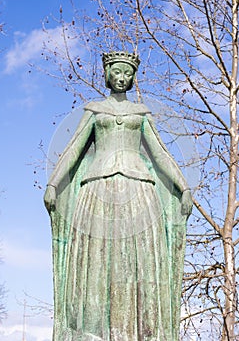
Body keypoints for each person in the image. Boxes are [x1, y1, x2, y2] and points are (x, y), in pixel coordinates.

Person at [44, 51, 192, 341]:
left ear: (133, 76)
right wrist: (53, 183)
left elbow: (160, 153)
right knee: (97, 262)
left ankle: (136, 331)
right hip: (97, 189)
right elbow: (73, 149)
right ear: (107, 74)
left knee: (136, 263)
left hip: (139, 190)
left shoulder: (141, 113)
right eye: (116, 72)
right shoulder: (95, 110)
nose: (122, 77)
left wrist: (184, 186)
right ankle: (93, 331)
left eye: (127, 72)